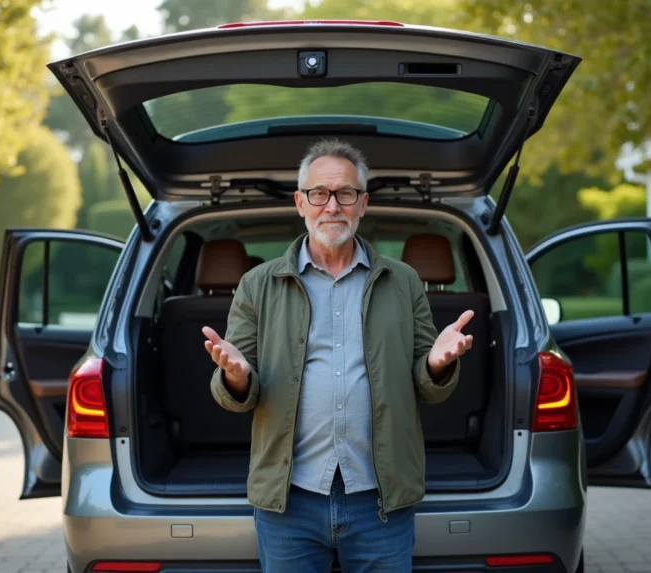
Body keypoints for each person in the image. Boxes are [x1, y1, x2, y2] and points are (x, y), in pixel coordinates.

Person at [202, 138, 474, 572]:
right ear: (300, 202)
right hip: (289, 502)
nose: (332, 206)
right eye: (319, 194)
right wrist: (235, 375)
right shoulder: (257, 285)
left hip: (381, 500)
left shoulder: (404, 282)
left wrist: (438, 364)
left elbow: (428, 385)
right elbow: (238, 390)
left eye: (345, 193)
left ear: (362, 204)